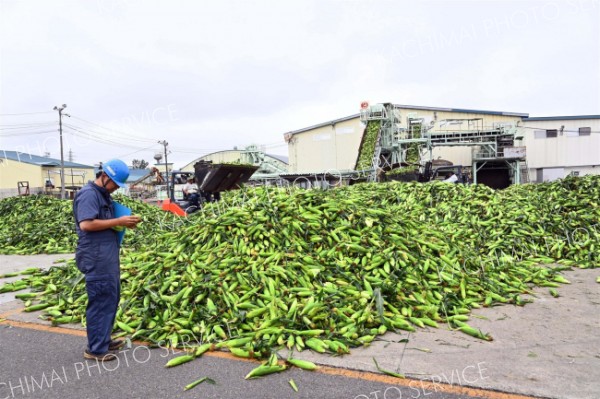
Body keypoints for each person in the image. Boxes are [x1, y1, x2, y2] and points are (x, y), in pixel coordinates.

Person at [73, 159, 141, 361]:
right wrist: (119, 221)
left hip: (106, 253)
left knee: (110, 297)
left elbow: (105, 222)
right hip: (95, 255)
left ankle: (103, 339)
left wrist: (123, 224)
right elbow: (86, 224)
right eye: (114, 185)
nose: (115, 190)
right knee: (100, 299)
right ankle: (95, 349)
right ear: (104, 177)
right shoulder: (88, 194)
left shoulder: (103, 194)